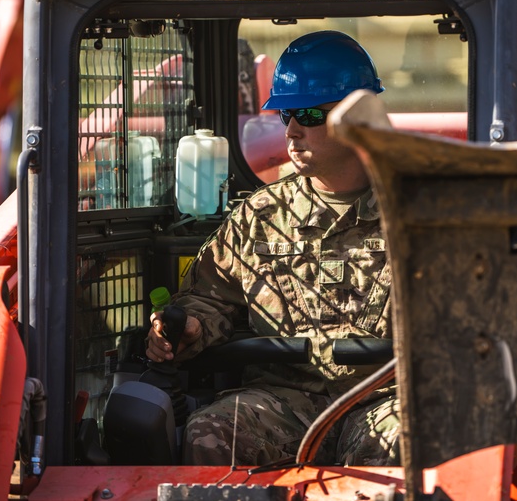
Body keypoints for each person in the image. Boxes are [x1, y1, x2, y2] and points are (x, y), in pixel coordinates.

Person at [146, 30, 400, 466]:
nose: (294, 130)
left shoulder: (415, 211)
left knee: (407, 439)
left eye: (308, 114)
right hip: (286, 400)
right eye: (286, 115)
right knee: (210, 433)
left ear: (355, 117)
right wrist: (187, 327)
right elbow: (210, 299)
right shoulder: (262, 215)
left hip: (385, 401)